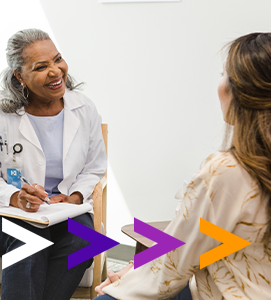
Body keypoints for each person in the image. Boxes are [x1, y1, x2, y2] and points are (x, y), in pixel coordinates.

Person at [94, 32, 271, 299]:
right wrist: (136, 270)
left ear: (239, 90)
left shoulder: (227, 171)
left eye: (224, 74)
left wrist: (123, 284)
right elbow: (228, 244)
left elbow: (172, 267)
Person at [0, 28, 107, 300]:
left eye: (58, 59)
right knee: (28, 241)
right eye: (42, 66)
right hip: (7, 213)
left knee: (85, 241)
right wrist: (14, 197)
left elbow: (94, 167)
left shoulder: (84, 108)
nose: (56, 71)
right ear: (19, 76)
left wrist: (74, 196)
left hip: (64, 210)